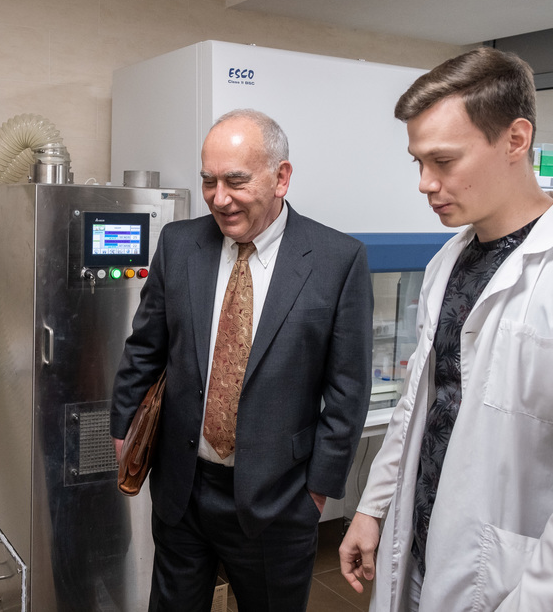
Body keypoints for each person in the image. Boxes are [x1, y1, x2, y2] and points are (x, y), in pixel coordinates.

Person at [338, 46, 553, 611]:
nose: (425, 183)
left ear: (515, 140)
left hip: (524, 583)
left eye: (443, 161)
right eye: (418, 162)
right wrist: (372, 508)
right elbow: (420, 404)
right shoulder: (446, 262)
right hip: (424, 550)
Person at [110, 108, 373, 611]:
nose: (219, 197)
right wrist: (124, 425)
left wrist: (318, 490)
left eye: (235, 181)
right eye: (209, 181)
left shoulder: (336, 260)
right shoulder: (179, 245)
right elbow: (145, 346)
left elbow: (347, 390)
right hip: (183, 488)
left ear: (281, 177)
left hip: (279, 499)